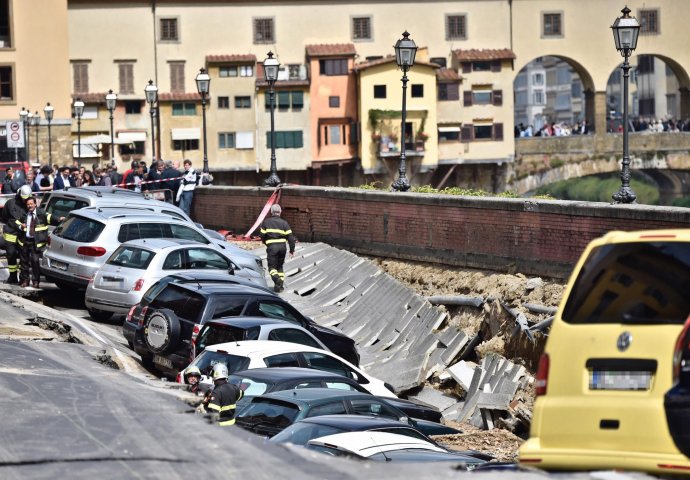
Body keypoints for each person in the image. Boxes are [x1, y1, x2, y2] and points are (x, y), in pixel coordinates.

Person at [18, 196, 62, 289]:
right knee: (24, 262)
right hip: (25, 241)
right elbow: (18, 223)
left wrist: (59, 219)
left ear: (35, 204)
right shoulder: (25, 214)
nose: (30, 206)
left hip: (36, 242)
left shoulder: (41, 213)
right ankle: (25, 280)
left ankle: (35, 282)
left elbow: (50, 217)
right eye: (28, 204)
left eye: (31, 204)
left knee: (35, 261)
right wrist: (21, 227)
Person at [260, 204, 295, 292]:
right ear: (280, 212)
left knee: (272, 268)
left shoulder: (266, 222)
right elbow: (291, 238)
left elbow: (262, 235)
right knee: (279, 267)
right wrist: (292, 250)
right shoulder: (284, 223)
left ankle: (277, 279)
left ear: (271, 212)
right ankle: (279, 286)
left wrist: (266, 243)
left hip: (272, 247)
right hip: (282, 247)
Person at [1, 185, 32, 284]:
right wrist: (11, 225)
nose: (25, 200)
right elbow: (4, 217)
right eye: (24, 198)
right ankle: (13, 277)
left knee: (24, 257)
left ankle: (23, 278)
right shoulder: (10, 203)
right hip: (10, 234)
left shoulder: (29, 204)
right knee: (11, 255)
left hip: (22, 235)